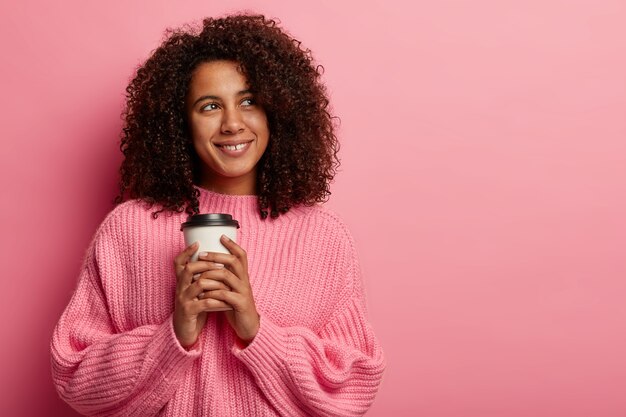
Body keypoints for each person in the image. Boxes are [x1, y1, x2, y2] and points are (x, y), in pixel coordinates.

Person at [50, 13, 385, 417]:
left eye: (248, 101)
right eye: (210, 106)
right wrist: (173, 335)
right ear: (180, 124)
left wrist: (255, 329)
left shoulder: (322, 238)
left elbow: (353, 386)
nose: (232, 123)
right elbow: (73, 373)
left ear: (277, 111)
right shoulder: (129, 229)